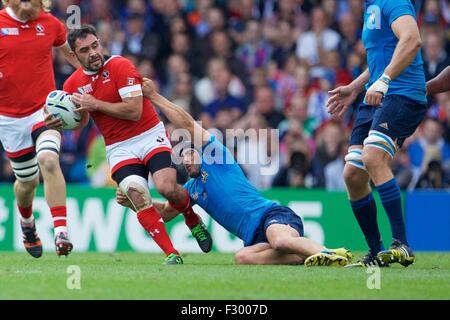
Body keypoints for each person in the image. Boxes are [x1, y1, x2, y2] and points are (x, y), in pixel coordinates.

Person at [117, 78, 352, 267]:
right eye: (182, 159)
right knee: (242, 258)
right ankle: (305, 256)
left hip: (271, 216)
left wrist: (154, 96)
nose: (187, 161)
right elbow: (166, 214)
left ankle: (330, 253)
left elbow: (187, 125)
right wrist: (133, 201)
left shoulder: (217, 158)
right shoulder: (192, 189)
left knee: (280, 240)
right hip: (254, 238)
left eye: (190, 154)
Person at [59, 25, 212, 264]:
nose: (93, 53)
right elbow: (82, 120)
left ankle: (192, 218)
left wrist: (95, 103)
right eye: (85, 50)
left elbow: (133, 110)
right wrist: (61, 121)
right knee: (137, 195)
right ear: (74, 55)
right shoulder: (72, 85)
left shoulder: (121, 66)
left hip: (149, 134)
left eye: (95, 46)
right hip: (118, 147)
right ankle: (172, 253)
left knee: (166, 188)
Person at [327, 0, 427, 267]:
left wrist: (385, 80)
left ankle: (402, 244)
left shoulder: (392, 0)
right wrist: (355, 87)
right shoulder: (372, 5)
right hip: (376, 96)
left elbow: (412, 39)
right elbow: (381, 58)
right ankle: (375, 252)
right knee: (353, 175)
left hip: (401, 94)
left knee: (373, 158)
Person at [0, 0, 81, 257]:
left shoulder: (51, 24)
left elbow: (70, 54)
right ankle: (27, 223)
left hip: (44, 111)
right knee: (27, 182)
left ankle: (61, 232)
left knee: (48, 159)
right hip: (8, 119)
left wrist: (93, 76)